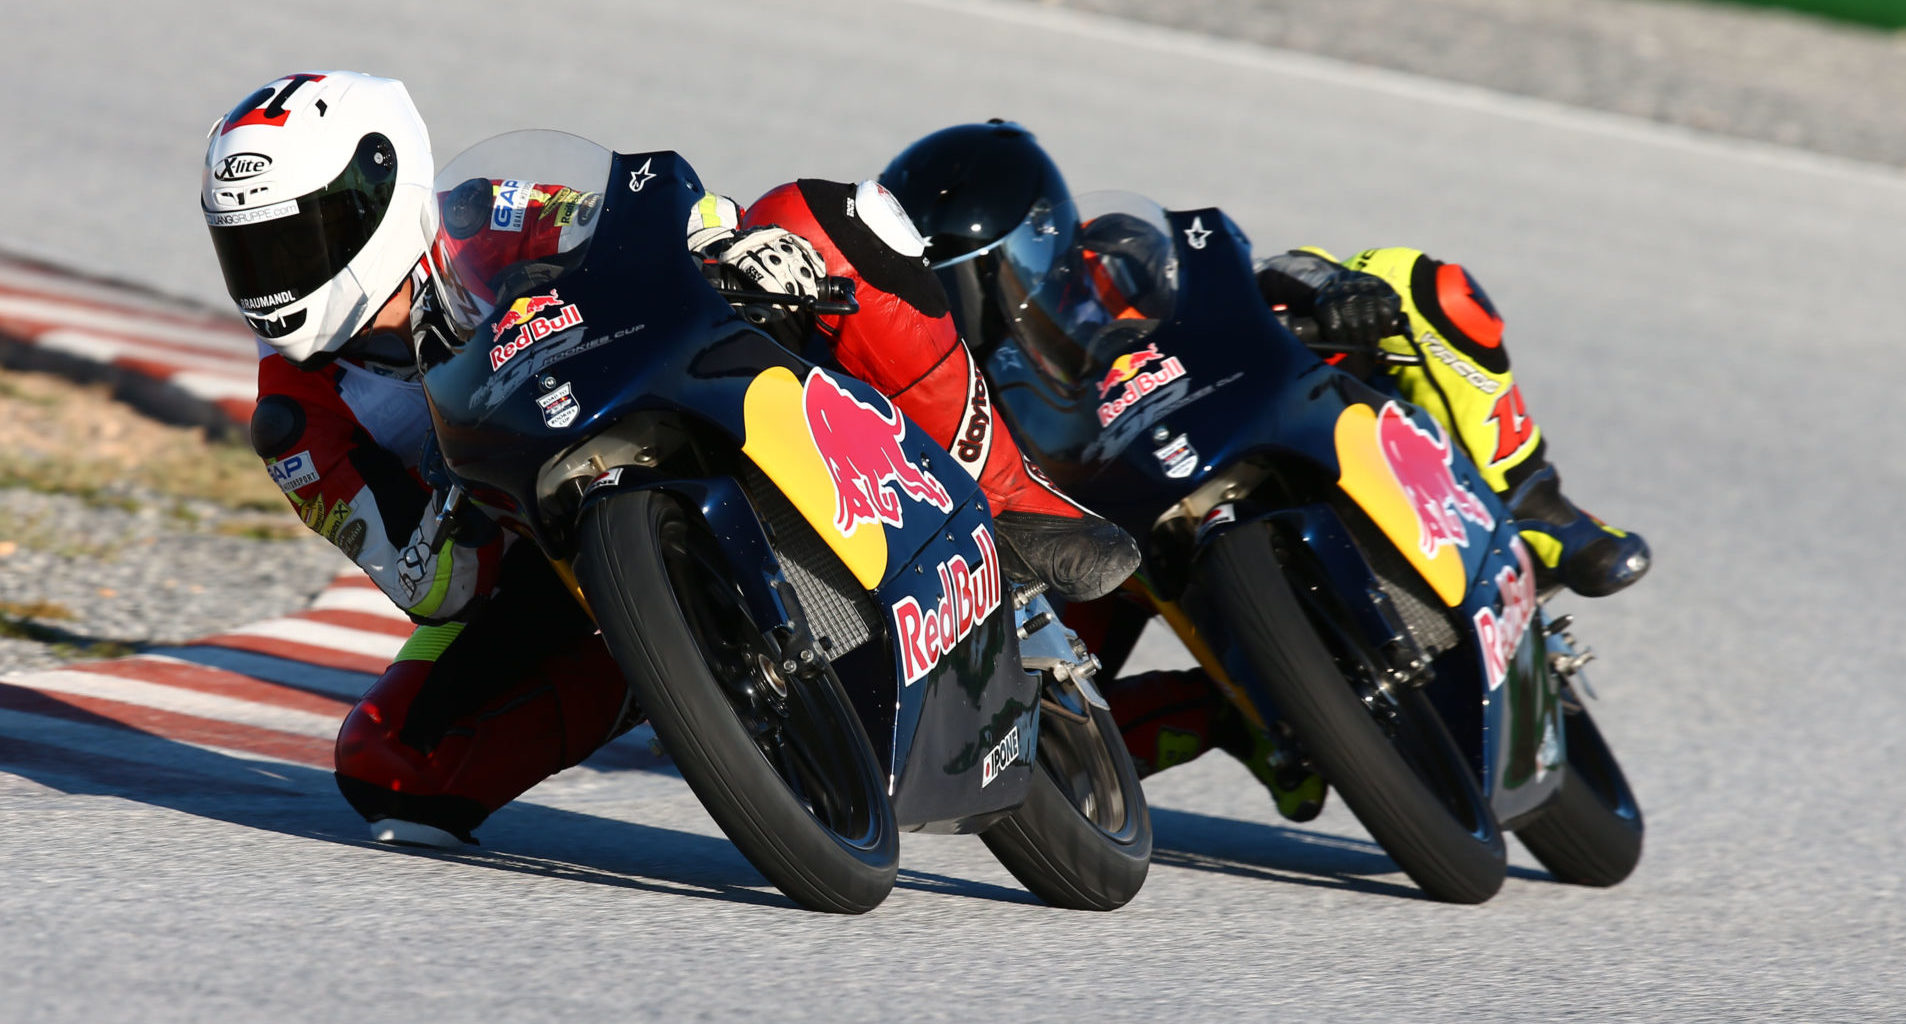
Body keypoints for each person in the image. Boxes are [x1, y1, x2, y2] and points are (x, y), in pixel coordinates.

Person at [201, 72, 1137, 846]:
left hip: (669, 386)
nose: (274, 278)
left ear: (382, 190)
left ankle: (1013, 497)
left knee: (818, 217)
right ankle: (672, 672)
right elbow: (432, 587)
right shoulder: (297, 421)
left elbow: (656, 218)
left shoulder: (489, 213)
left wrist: (730, 242)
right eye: (249, 252)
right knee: (388, 762)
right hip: (546, 550)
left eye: (295, 238)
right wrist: (454, 514)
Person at [877, 119, 1652, 822]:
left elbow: (1257, 275)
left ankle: (1537, 501)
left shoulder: (1116, 253)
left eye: (971, 272)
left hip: (1246, 407)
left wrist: (1329, 290)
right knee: (1028, 730)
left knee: (1418, 281)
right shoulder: (956, 375)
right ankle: (1236, 714)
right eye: (937, 283)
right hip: (1123, 522)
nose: (958, 299)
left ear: (1037, 234)